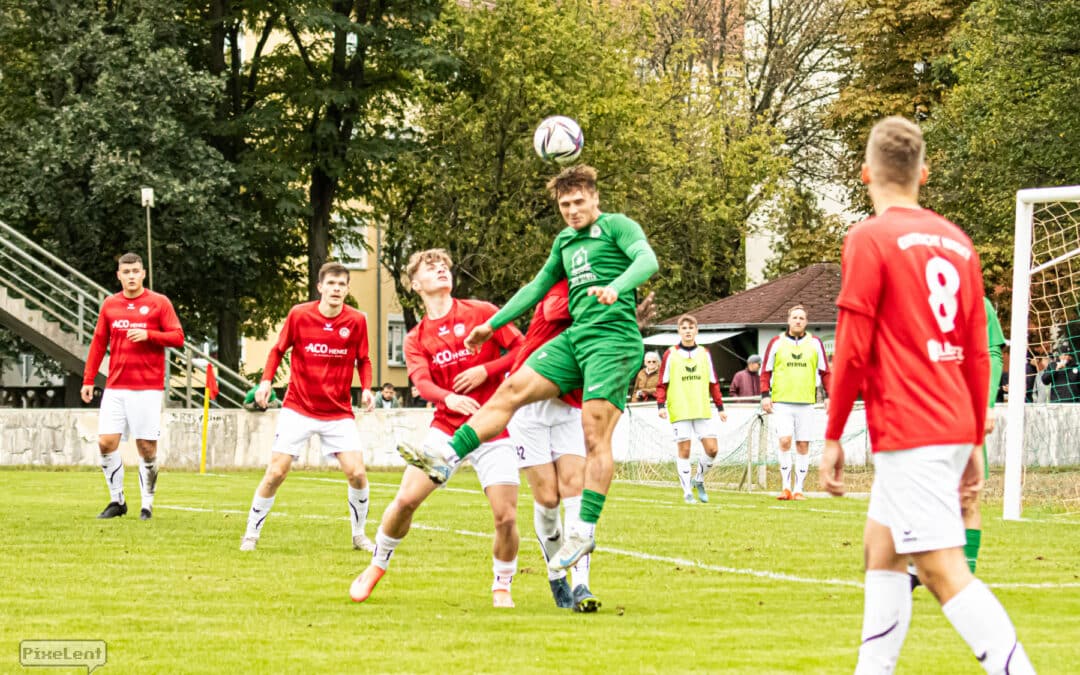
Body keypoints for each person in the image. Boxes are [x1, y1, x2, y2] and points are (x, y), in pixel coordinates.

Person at [820, 116, 1033, 674]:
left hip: (912, 429)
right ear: (924, 173)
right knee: (881, 550)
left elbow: (852, 347)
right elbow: (979, 351)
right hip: (946, 425)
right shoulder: (957, 241)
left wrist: (833, 434)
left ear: (866, 172)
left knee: (941, 570)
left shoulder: (868, 238)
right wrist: (971, 437)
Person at [398, 164, 659, 582]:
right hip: (578, 339)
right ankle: (447, 458)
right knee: (511, 389)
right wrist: (491, 324)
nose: (572, 210)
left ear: (595, 199)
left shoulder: (617, 227)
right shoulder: (565, 241)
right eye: (564, 205)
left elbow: (647, 259)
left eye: (578, 202)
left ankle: (584, 530)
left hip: (613, 342)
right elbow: (536, 287)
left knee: (595, 436)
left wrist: (619, 287)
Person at [349, 249, 525, 608]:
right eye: (431, 268)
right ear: (415, 284)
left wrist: (486, 371)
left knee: (506, 517)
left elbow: (522, 347)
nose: (441, 270)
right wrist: (449, 399)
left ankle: (502, 584)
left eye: (444, 265)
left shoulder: (482, 312)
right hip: (447, 427)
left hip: (494, 428)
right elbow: (422, 385)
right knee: (406, 501)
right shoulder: (415, 338)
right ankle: (376, 565)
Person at [240, 262, 376, 552]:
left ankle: (359, 535)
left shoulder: (356, 321)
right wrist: (265, 383)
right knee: (277, 472)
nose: (336, 289)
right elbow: (277, 350)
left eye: (342, 285)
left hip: (338, 412)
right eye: (331, 284)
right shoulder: (299, 315)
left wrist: (366, 389)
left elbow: (363, 359)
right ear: (320, 287)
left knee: (357, 473)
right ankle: (251, 534)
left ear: (347, 289)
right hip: (298, 408)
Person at [506, 278, 598, 611]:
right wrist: (606, 305)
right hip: (529, 404)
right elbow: (553, 308)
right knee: (547, 497)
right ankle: (554, 572)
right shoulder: (565, 284)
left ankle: (581, 585)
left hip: (568, 407)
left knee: (575, 489)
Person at [82, 252, 184, 520]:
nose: (131, 276)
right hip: (116, 387)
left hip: (147, 388)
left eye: (135, 271)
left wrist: (149, 335)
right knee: (105, 442)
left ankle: (146, 504)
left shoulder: (159, 303)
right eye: (126, 272)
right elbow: (98, 343)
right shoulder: (110, 305)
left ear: (143, 274)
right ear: (118, 275)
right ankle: (117, 500)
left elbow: (177, 337)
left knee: (147, 447)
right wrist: (89, 379)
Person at [655, 314, 727, 504]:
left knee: (712, 449)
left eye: (690, 328)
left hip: (701, 408)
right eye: (684, 328)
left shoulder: (704, 353)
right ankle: (687, 491)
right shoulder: (670, 354)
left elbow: (713, 382)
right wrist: (661, 405)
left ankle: (699, 480)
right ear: (679, 331)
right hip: (680, 409)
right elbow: (662, 382)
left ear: (696, 330)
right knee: (684, 450)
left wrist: (720, 407)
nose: (687, 331)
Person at [761, 305, 830, 500]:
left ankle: (799, 489)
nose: (798, 321)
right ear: (788, 321)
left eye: (801, 318)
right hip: (782, 402)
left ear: (806, 322)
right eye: (795, 317)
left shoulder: (815, 343)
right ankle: (785, 487)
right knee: (784, 441)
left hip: (806, 402)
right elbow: (765, 371)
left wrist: (828, 396)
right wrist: (765, 395)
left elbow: (825, 372)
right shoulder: (776, 342)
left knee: (802, 445)